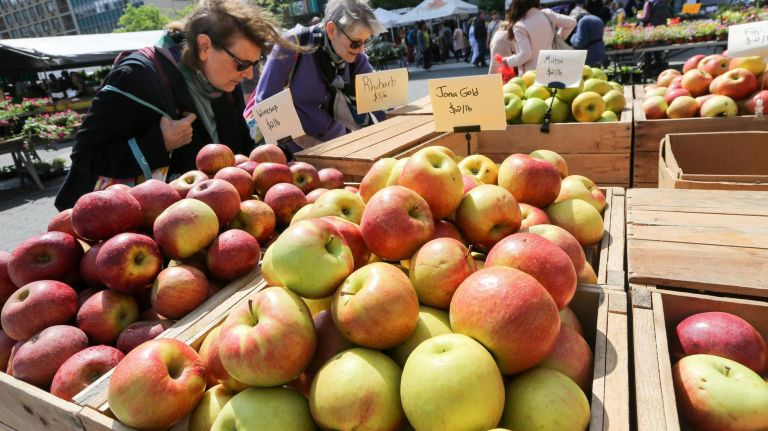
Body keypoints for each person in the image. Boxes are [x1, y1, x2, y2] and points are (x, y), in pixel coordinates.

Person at [55, 0, 277, 210]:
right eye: (242, 63)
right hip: (152, 224)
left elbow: (241, 148)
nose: (248, 74)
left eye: (254, 64)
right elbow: (86, 155)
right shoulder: (136, 76)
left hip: (215, 213)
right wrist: (160, 142)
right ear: (204, 46)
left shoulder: (224, 80)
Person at [253, 0, 385, 150]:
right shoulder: (292, 43)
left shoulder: (356, 57)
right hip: (292, 152)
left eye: (366, 42)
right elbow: (265, 102)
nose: (361, 49)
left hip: (337, 147)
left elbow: (376, 103)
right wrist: (307, 143)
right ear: (331, 30)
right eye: (355, 42)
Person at [502, 0, 576, 74]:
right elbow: (572, 22)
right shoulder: (547, 14)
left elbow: (525, 54)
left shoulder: (520, 26)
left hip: (533, 73)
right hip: (554, 66)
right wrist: (559, 37)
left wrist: (508, 61)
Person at [570, 0, 607, 66]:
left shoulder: (583, 21)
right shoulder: (597, 18)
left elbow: (580, 42)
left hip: (590, 55)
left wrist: (572, 38)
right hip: (601, 51)